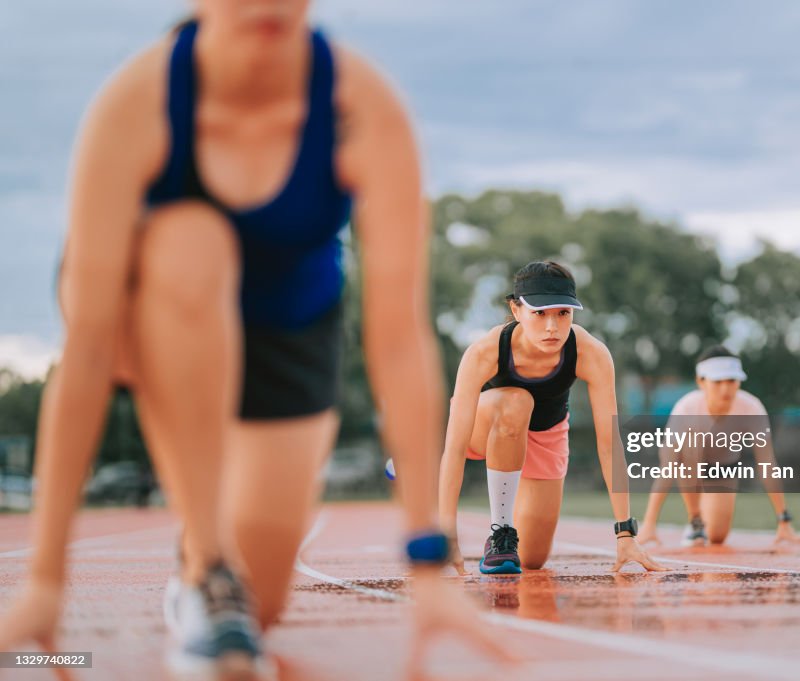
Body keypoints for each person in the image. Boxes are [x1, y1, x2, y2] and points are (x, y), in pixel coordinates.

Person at [0, 2, 503, 677]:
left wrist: (428, 564)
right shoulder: (135, 105)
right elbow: (85, 347)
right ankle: (208, 554)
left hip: (288, 331)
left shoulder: (362, 106)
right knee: (189, 241)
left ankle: (205, 555)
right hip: (155, 306)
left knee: (260, 605)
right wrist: (45, 580)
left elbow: (398, 338)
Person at [438, 261, 666, 575]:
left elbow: (609, 444)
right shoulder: (485, 352)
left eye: (562, 314)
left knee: (533, 560)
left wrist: (625, 534)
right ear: (516, 310)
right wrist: (447, 533)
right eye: (539, 313)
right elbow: (455, 446)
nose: (552, 327)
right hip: (484, 429)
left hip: (547, 435)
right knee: (517, 401)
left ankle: (512, 540)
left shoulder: (591, 353)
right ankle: (500, 533)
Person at [636, 345, 800, 547]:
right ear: (701, 382)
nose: (725, 389)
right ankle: (696, 521)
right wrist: (649, 524)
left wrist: (783, 519)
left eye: (732, 381)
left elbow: (767, 463)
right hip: (687, 462)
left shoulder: (752, 409)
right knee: (689, 442)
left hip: (723, 466)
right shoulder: (686, 409)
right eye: (717, 382)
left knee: (717, 536)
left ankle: (707, 520)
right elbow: (668, 469)